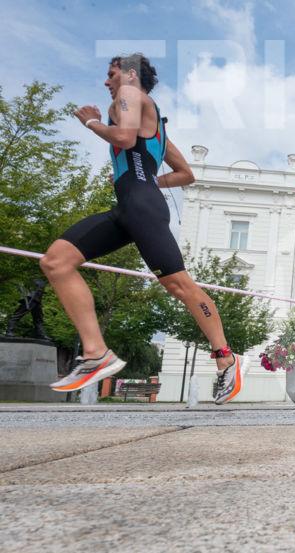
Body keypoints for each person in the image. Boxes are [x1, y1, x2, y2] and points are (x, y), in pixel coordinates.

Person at [40, 53, 248, 404]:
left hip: (142, 208)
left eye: (111, 74)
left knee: (179, 286)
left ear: (131, 75)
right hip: (129, 208)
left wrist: (91, 122)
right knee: (56, 262)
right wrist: (150, 180)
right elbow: (186, 174)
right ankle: (95, 353)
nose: (107, 81)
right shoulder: (155, 125)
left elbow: (123, 138)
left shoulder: (129, 95)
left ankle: (226, 359)